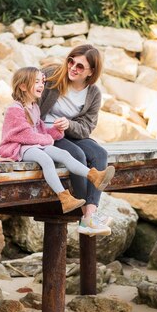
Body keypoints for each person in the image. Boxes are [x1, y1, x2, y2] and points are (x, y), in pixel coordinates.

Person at [0, 67, 115, 215]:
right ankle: (64, 197)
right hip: (19, 147)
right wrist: (47, 139)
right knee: (46, 160)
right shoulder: (15, 109)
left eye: (43, 81)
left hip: (34, 144)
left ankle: (94, 176)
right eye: (37, 82)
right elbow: (24, 135)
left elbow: (39, 130)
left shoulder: (34, 107)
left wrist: (55, 132)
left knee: (64, 154)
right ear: (22, 86)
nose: (42, 85)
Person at [40, 44, 112, 236]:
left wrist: (69, 125)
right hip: (45, 132)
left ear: (91, 71)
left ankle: (89, 214)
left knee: (99, 153)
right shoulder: (51, 75)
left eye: (80, 66)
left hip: (71, 133)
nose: (73, 67)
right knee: (77, 154)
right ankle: (86, 218)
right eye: (71, 61)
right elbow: (24, 94)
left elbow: (87, 127)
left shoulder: (93, 93)